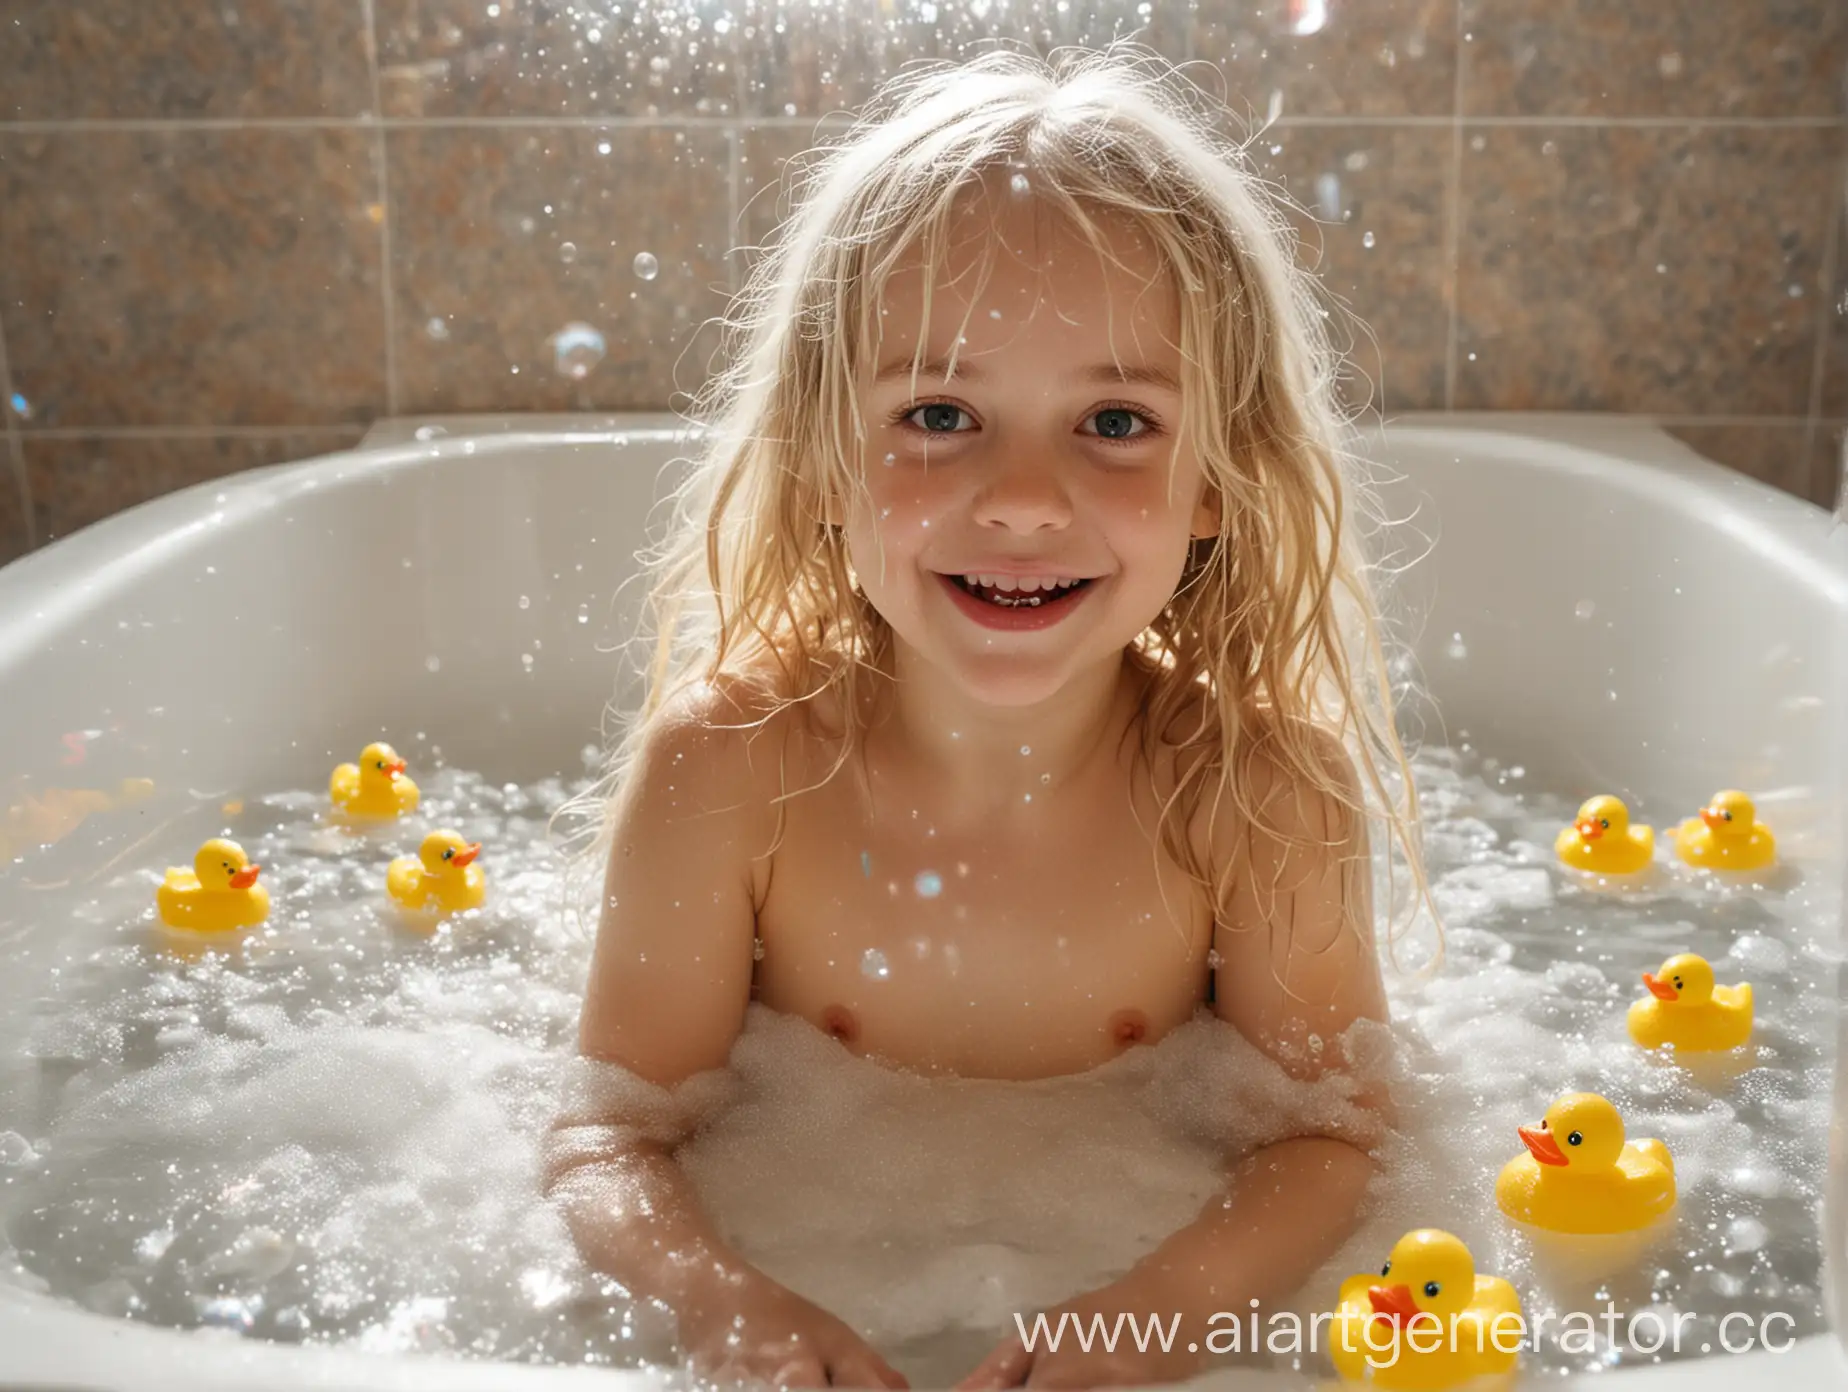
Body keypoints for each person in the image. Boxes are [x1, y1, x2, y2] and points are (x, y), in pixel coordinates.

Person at [545, 42, 1423, 1390]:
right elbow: (608, 1138)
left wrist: (1155, 1310)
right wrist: (717, 1300)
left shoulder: (1258, 792)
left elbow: (1329, 1142)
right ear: (827, 457)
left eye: (1116, 420)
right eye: (941, 412)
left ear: (1218, 485)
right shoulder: (728, 776)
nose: (1022, 497)